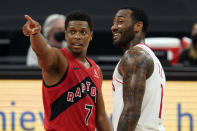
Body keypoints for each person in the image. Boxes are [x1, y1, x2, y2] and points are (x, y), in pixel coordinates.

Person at [22, 10, 112, 131]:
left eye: (83, 32)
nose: (77, 36)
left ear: (91, 35)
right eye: (72, 32)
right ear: (65, 35)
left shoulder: (96, 69)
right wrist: (35, 34)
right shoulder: (59, 59)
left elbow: (100, 117)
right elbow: (42, 52)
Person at [111, 7, 166, 131]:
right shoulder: (149, 56)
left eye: (120, 22)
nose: (113, 27)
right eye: (113, 23)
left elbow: (131, 111)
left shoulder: (134, 56)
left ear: (138, 26)